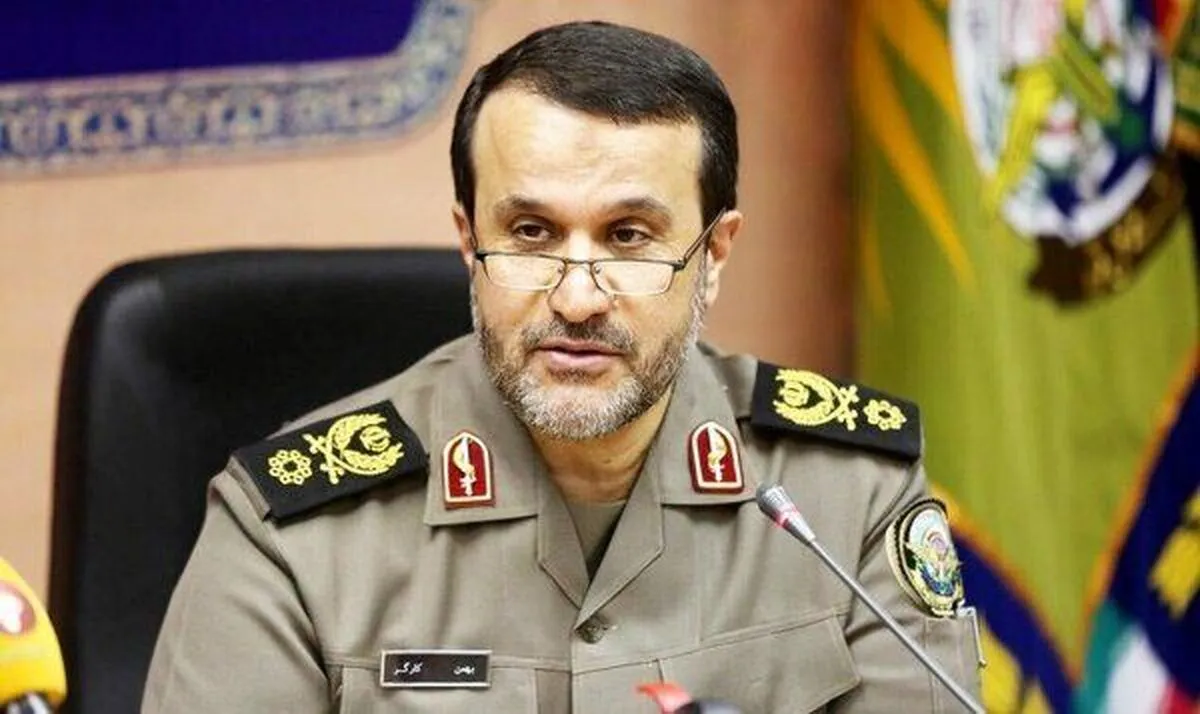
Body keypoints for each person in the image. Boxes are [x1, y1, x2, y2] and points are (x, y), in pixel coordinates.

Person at [142, 21, 982, 713]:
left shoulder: (846, 496)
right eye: (532, 233)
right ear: (469, 240)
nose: (577, 299)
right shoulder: (294, 534)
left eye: (629, 238)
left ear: (715, 253)